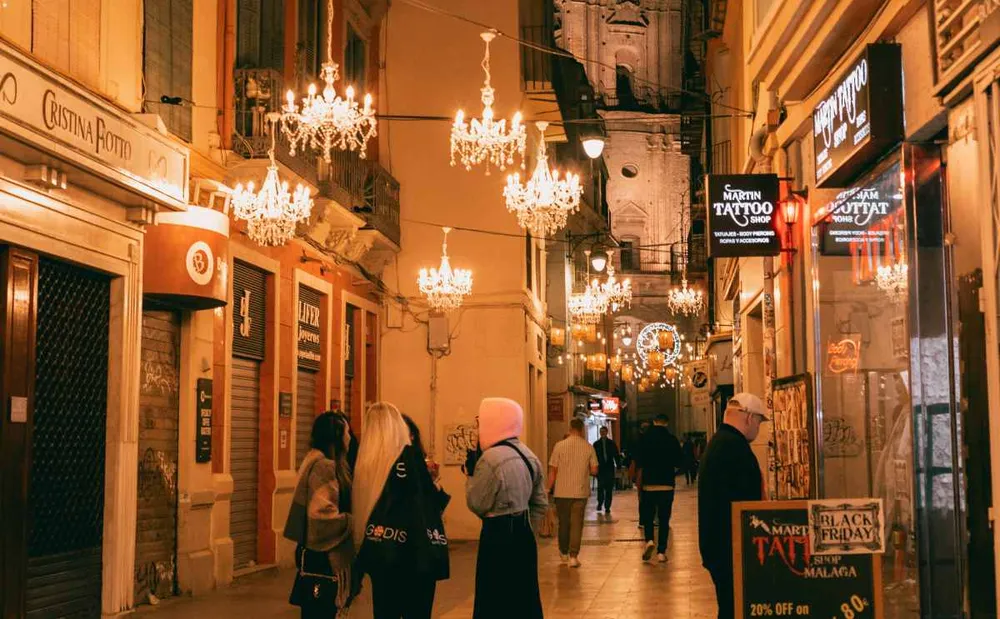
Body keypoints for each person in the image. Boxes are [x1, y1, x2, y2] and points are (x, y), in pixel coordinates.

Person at [352, 403, 449, 619]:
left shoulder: (365, 464)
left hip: (382, 556)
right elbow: (431, 504)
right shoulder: (411, 457)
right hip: (415, 557)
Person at [465, 398, 547, 619]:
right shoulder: (529, 455)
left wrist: (470, 474)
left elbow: (476, 503)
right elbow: (540, 503)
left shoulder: (490, 459)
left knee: (494, 599)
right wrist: (529, 528)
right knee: (524, 598)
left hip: (497, 534)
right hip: (523, 533)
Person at [698, 394, 767, 619]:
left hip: (718, 547)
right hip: (730, 548)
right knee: (734, 608)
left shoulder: (720, 442)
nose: (758, 427)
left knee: (729, 607)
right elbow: (749, 503)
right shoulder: (734, 448)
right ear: (748, 418)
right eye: (759, 421)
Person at [283, 411, 355, 618]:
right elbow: (321, 516)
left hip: (314, 557)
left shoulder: (314, 461)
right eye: (347, 432)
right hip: (325, 560)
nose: (350, 437)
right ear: (337, 437)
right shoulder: (325, 467)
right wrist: (353, 522)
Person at [547, 418, 598, 566]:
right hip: (580, 492)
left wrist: (548, 488)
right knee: (576, 524)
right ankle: (573, 556)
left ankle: (563, 552)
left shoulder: (559, 446)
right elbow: (594, 470)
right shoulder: (588, 447)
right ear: (582, 430)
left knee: (563, 523)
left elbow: (553, 470)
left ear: (570, 428)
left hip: (561, 492)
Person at [635, 414, 682, 563]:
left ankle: (649, 540)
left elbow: (639, 460)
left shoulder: (645, 439)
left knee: (648, 516)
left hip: (649, 484)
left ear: (654, 422)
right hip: (667, 484)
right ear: (667, 423)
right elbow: (679, 460)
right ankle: (661, 551)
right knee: (664, 519)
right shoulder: (672, 439)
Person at [593, 426, 620, 516]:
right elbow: (594, 457)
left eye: (604, 431)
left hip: (609, 468)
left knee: (609, 488)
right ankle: (600, 503)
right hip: (600, 468)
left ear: (607, 432)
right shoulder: (596, 444)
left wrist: (618, 466)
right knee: (600, 487)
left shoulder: (611, 443)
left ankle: (607, 506)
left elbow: (616, 455)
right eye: (601, 432)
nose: (602, 433)